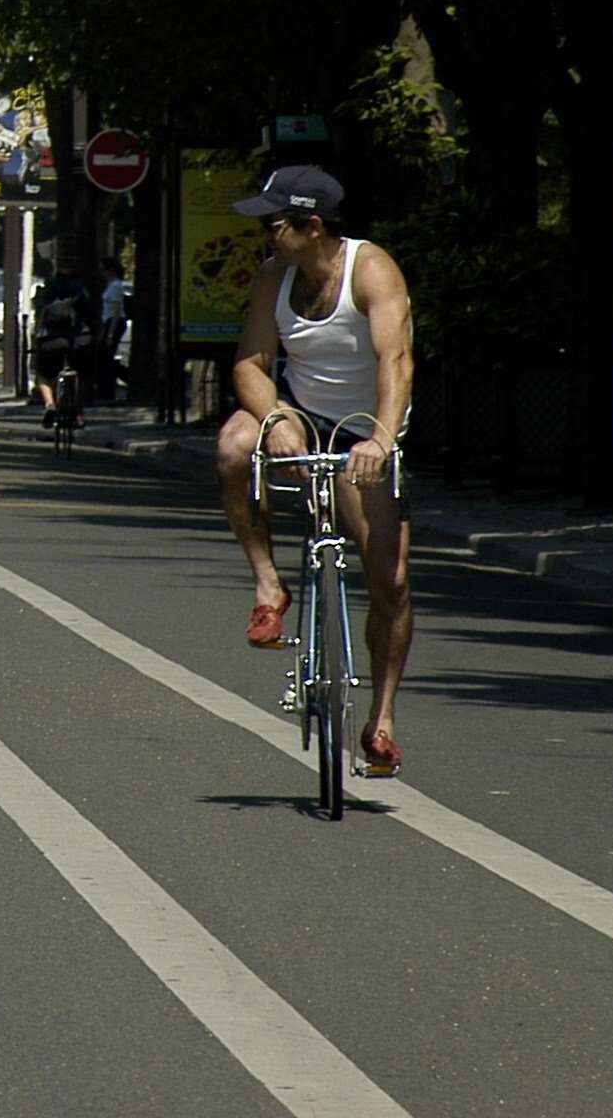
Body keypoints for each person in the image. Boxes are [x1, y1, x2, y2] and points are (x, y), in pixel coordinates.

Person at [212, 165, 417, 778]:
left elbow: (396, 361)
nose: (265, 237)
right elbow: (249, 364)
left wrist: (380, 440)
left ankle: (381, 720)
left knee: (390, 581)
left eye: (274, 225)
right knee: (233, 445)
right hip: (300, 412)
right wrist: (275, 417)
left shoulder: (370, 269)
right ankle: (269, 585)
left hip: (368, 425)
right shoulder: (272, 277)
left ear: (313, 226)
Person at [29, 257, 97, 412]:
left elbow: (41, 310)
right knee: (84, 373)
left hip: (51, 339)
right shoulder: (81, 288)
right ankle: (78, 407)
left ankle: (49, 403)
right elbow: (89, 312)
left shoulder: (50, 286)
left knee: (43, 373)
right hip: (79, 339)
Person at [98, 257, 131, 401]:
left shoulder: (116, 286)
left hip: (114, 322)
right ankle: (106, 390)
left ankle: (112, 388)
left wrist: (111, 333)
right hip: (108, 321)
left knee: (106, 357)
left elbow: (117, 310)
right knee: (104, 357)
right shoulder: (110, 285)